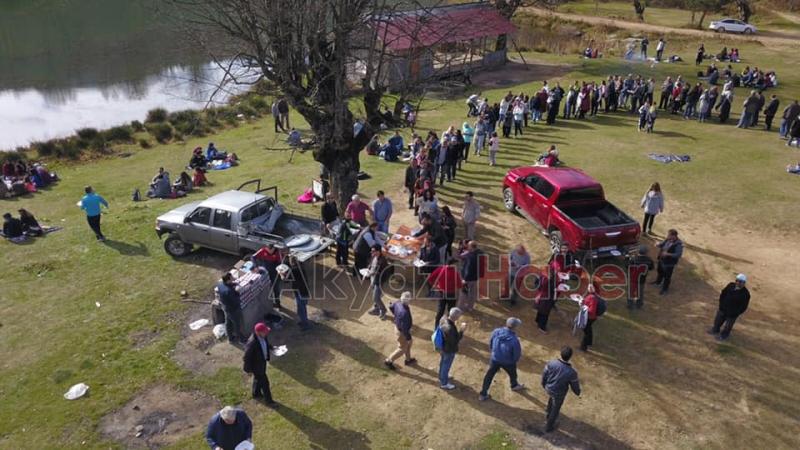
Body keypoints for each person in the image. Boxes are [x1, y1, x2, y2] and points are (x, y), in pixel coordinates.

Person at [478, 317, 524, 401]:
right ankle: (514, 385)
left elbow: (491, 342)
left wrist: (493, 352)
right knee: (513, 374)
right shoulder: (514, 340)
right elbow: (516, 354)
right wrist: (514, 361)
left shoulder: (496, 331)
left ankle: (483, 394)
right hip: (508, 362)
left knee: (489, 376)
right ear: (515, 327)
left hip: (495, 359)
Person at [541, 346, 581, 433]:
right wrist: (577, 392)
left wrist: (543, 384)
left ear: (561, 354)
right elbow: (575, 385)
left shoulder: (551, 363)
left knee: (551, 399)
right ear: (570, 357)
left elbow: (544, 374)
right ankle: (549, 426)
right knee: (555, 409)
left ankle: (548, 411)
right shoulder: (571, 372)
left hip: (549, 388)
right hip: (559, 393)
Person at [243, 322, 277, 405]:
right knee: (265, 383)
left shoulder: (263, 336)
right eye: (264, 332)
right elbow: (246, 357)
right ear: (258, 332)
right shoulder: (252, 343)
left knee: (258, 379)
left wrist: (272, 347)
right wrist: (248, 370)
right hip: (256, 366)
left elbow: (265, 344)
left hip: (262, 362)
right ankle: (269, 402)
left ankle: (256, 393)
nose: (266, 333)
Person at [708, 274, 751, 341]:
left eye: (740, 281)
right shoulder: (731, 285)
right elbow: (723, 293)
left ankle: (723, 335)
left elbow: (743, 307)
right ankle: (715, 330)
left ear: (744, 283)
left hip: (732, 314)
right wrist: (721, 304)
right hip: (723, 309)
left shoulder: (745, 294)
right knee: (718, 321)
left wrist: (735, 313)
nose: (738, 283)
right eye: (737, 280)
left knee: (728, 326)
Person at [384, 292, 416, 369]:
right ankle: (389, 360)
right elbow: (405, 328)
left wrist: (396, 315)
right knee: (402, 348)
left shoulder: (397, 302)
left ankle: (408, 359)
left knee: (409, 344)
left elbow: (391, 307)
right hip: (402, 332)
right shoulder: (404, 313)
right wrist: (408, 337)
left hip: (398, 327)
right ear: (408, 301)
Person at [278, 257, 311, 330]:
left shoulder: (294, 270)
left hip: (300, 291)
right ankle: (303, 321)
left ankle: (305, 324)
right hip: (303, 290)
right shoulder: (300, 267)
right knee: (301, 307)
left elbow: (285, 280)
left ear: (292, 262)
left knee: (301, 308)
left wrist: (281, 274)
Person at [428, 258, 463, 327]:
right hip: (451, 294)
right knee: (451, 311)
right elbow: (459, 285)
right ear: (452, 264)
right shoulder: (455, 273)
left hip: (442, 293)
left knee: (440, 310)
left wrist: (436, 286)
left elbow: (430, 278)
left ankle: (436, 326)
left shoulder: (440, 269)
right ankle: (449, 326)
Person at [438, 307, 466, 390]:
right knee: (446, 365)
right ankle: (444, 383)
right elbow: (455, 341)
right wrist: (461, 330)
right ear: (456, 317)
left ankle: (442, 375)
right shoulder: (450, 329)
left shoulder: (443, 318)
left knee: (443, 362)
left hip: (442, 346)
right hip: (448, 350)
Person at [654, 229, 683, 295]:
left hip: (669, 263)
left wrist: (668, 254)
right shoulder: (667, 239)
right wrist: (658, 244)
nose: (667, 236)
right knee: (660, 271)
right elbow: (662, 244)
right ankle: (658, 282)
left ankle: (664, 289)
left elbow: (678, 254)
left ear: (674, 236)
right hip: (661, 260)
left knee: (667, 277)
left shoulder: (678, 244)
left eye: (669, 235)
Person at [217, 273, 245, 344]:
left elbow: (227, 286)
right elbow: (236, 301)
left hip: (226, 307)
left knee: (228, 322)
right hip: (233, 310)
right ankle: (241, 339)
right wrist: (238, 292)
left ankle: (230, 338)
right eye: (231, 277)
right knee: (237, 325)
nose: (233, 277)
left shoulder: (220, 284)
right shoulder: (229, 291)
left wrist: (233, 284)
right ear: (228, 280)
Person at [627, 245, 654, 309]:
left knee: (631, 292)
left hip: (633, 278)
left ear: (638, 251)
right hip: (642, 279)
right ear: (646, 252)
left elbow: (628, 266)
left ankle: (630, 305)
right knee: (640, 292)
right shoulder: (649, 260)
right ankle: (639, 305)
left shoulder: (634, 259)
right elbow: (651, 268)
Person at [459, 240, 483, 312]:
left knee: (463, 293)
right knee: (472, 293)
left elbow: (468, 269)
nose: (467, 247)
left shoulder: (470, 257)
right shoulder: (479, 253)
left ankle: (460, 308)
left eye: (468, 246)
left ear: (471, 247)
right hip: (475, 277)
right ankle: (470, 307)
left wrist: (464, 279)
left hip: (468, 278)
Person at [365, 245, 388, 319]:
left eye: (373, 251)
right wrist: (369, 267)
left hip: (379, 281)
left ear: (378, 251)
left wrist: (369, 274)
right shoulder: (374, 256)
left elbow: (377, 272)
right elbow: (371, 264)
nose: (371, 252)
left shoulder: (382, 261)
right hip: (373, 279)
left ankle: (383, 310)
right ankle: (377, 309)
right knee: (374, 295)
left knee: (376, 298)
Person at [579, 285, 601, 351]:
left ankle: (583, 347)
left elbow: (591, 310)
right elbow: (587, 303)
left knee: (586, 331)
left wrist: (582, 306)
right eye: (588, 286)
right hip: (591, 317)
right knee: (588, 329)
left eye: (591, 287)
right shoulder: (592, 295)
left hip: (589, 317)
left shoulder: (592, 297)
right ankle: (589, 342)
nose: (589, 288)